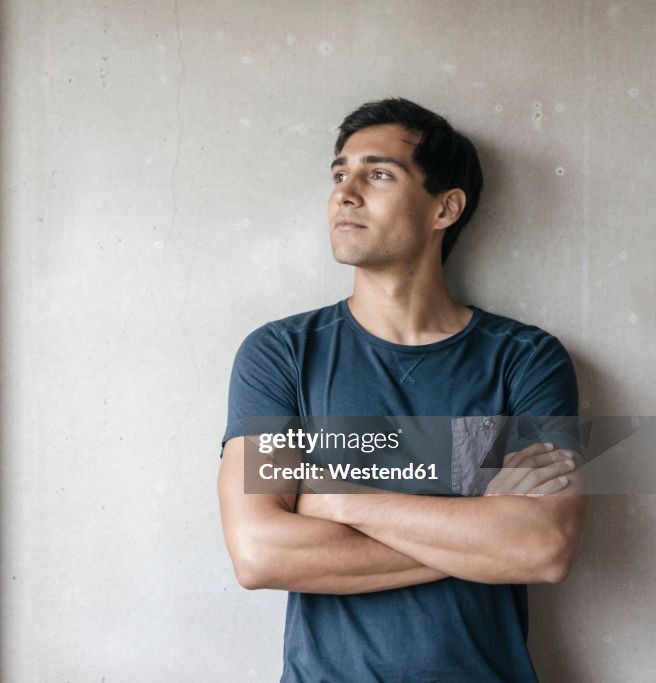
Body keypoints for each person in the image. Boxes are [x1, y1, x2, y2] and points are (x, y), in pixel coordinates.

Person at [217, 98, 588, 682]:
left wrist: (340, 502)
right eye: (340, 174)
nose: (345, 192)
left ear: (446, 207)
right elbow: (260, 552)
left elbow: (542, 546)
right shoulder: (281, 354)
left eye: (379, 173)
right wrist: (477, 534)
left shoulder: (526, 359)